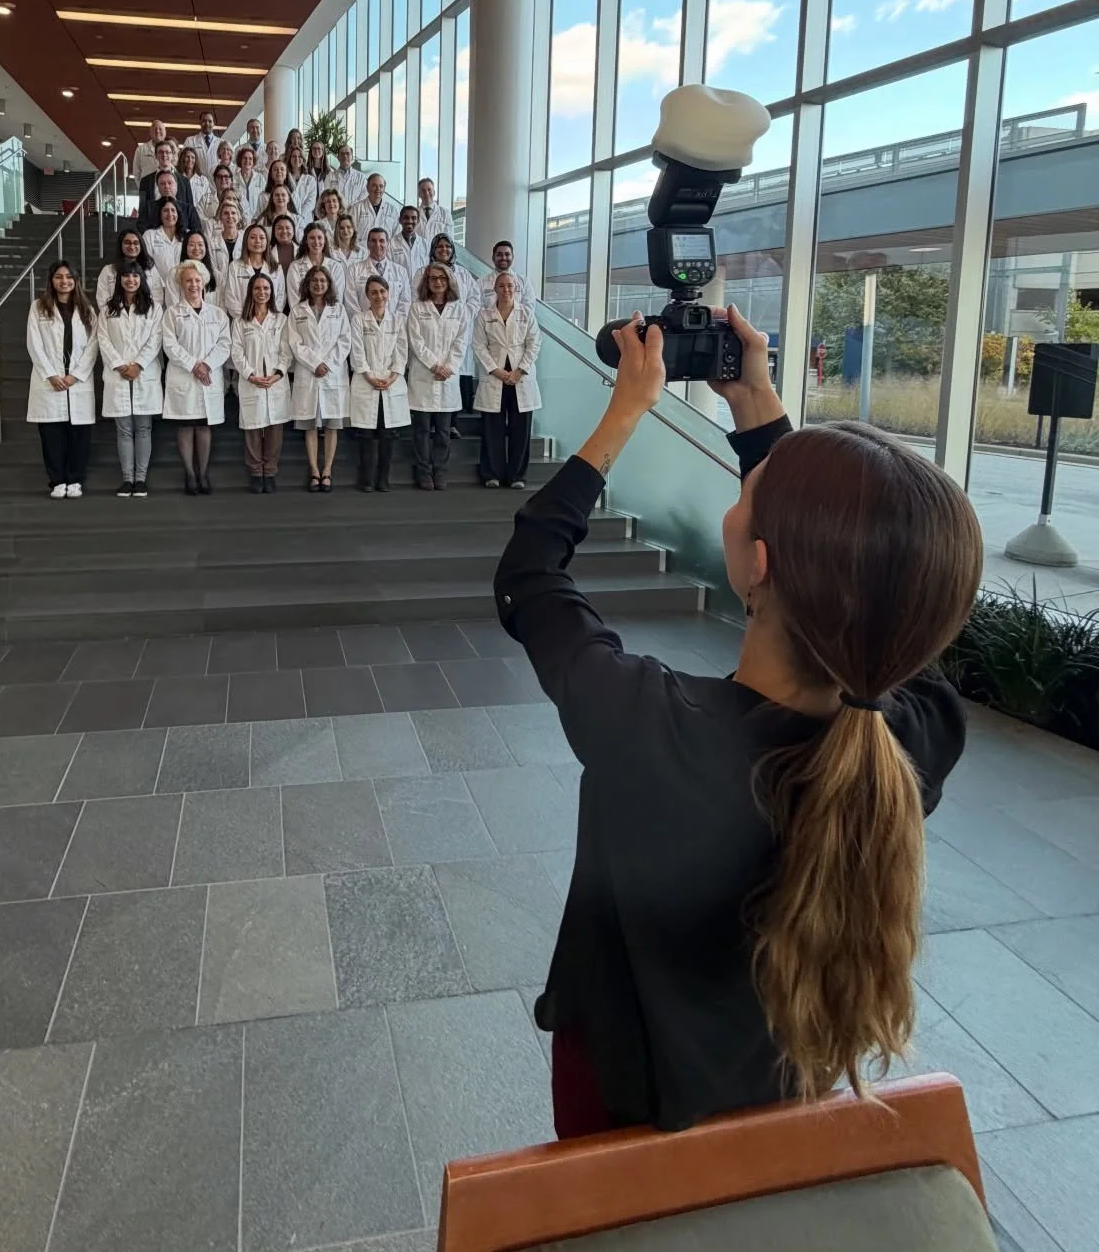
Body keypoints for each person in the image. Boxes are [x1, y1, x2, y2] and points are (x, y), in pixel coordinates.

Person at [496, 307, 982, 1141]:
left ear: (758, 564)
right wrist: (757, 404)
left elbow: (528, 575)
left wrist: (624, 414)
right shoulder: (919, 735)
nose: (746, 485)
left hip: (624, 1085)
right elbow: (886, 592)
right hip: (787, 1077)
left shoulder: (650, 727)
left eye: (752, 491)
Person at [26, 259, 98, 498]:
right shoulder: (38, 307)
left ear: (75, 280)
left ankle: (75, 479)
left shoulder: (87, 309)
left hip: (77, 381)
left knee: (79, 434)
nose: (64, 281)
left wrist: (75, 375)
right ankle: (57, 480)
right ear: (51, 280)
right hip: (50, 380)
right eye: (59, 277)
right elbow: (34, 344)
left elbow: (93, 345)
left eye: (69, 277)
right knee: (51, 433)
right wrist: (51, 374)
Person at [161, 260, 229, 494]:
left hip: (208, 377)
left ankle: (203, 473)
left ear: (204, 283)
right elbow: (170, 345)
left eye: (197, 280)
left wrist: (207, 365)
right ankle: (190, 474)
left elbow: (224, 344)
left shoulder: (218, 314)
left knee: (203, 426)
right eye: (188, 280)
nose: (193, 284)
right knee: (185, 425)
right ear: (181, 283)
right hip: (184, 376)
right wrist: (193, 366)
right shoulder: (172, 313)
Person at [98, 259, 162, 496]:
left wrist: (139, 365)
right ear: (119, 280)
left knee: (144, 428)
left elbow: (156, 338)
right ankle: (127, 479)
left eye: (135, 276)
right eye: (126, 275)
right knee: (124, 429)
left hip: (144, 373)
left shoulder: (154, 308)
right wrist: (119, 364)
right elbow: (102, 339)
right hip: (118, 374)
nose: (131, 279)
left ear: (141, 279)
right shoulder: (107, 309)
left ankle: (141, 479)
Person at [473, 272, 542, 488]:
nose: (506, 289)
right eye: (501, 286)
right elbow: (478, 345)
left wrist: (520, 371)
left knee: (520, 428)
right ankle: (492, 474)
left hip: (520, 376)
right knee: (492, 427)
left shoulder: (526, 313)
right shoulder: (484, 315)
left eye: (510, 285)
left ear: (516, 288)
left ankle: (517, 475)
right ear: (495, 289)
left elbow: (534, 344)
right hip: (495, 375)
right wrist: (496, 370)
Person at [288, 263, 351, 492]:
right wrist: (315, 363)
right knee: (310, 426)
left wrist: (329, 364)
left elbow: (345, 340)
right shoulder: (297, 311)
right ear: (308, 284)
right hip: (309, 372)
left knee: (332, 425)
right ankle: (314, 471)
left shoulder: (338, 309)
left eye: (323, 281)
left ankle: (328, 471)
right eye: (314, 281)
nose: (318, 284)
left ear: (329, 284)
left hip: (332, 374)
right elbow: (295, 342)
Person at [230, 271, 292, 493]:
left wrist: (277, 374)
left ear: (271, 292)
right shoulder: (240, 321)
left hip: (275, 382)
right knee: (253, 429)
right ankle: (256, 472)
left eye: (266, 288)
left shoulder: (281, 319)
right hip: (252, 382)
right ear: (251, 292)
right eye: (257, 288)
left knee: (275, 429)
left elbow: (287, 351)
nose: (262, 292)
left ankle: (271, 471)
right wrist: (250, 375)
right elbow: (236, 352)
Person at [406, 263, 466, 490]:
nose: (438, 282)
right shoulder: (417, 308)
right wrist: (434, 365)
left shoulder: (458, 309)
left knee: (442, 431)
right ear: (427, 282)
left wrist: (448, 366)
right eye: (433, 279)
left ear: (449, 280)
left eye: (442, 278)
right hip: (424, 374)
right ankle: (423, 471)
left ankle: (440, 469)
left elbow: (461, 341)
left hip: (447, 377)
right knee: (421, 429)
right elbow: (416, 341)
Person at [348, 274, 409, 493]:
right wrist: (369, 376)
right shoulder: (358, 320)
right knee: (366, 435)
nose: (378, 296)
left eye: (382, 291)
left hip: (391, 383)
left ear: (389, 294)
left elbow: (402, 352)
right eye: (373, 292)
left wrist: (393, 376)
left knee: (387, 435)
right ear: (367, 296)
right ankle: (367, 479)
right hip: (367, 382)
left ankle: (383, 478)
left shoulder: (397, 321)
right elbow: (357, 352)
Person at [426, 231, 481, 424]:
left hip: (457, 329)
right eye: (439, 246)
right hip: (430, 331)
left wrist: (463, 314)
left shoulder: (463, 274)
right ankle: (434, 423)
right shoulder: (424, 272)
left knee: (455, 376)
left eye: (448, 246)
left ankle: (452, 424)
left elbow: (475, 298)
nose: (444, 249)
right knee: (430, 382)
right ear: (433, 249)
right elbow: (418, 297)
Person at [346, 226, 410, 320]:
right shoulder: (354, 270)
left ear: (388, 244)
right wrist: (364, 323)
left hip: (393, 328)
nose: (377, 244)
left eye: (382, 241)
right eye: (373, 241)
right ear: (367, 244)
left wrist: (393, 325)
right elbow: (351, 303)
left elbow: (405, 303)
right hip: (364, 327)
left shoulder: (401, 271)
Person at [224, 222, 285, 318]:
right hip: (242, 322)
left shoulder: (276, 268)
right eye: (253, 237)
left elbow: (280, 298)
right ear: (246, 241)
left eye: (262, 238)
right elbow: (230, 298)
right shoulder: (234, 267)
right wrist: (246, 318)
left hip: (270, 323)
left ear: (267, 242)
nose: (257, 241)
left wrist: (267, 318)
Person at [139, 159, 199, 235]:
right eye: (162, 184)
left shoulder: (189, 209)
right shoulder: (149, 208)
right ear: (158, 187)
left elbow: (197, 233)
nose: (166, 186)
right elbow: (142, 229)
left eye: (170, 183)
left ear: (177, 186)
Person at [288, 221, 338, 311]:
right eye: (312, 238)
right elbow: (294, 299)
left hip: (330, 316)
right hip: (302, 316)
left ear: (325, 240)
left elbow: (336, 297)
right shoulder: (295, 267)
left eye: (319, 238)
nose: (316, 241)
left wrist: (326, 315)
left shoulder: (336, 266)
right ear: (306, 241)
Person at [94, 225, 145, 313]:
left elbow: (156, 296)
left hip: (143, 317)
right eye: (127, 242)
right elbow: (102, 298)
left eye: (136, 243)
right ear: (120, 245)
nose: (132, 246)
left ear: (141, 246)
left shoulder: (150, 270)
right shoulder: (108, 270)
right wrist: (118, 317)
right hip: (114, 317)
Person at [479, 238, 537, 309]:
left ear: (512, 257)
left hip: (517, 320)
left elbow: (529, 308)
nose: (503, 257)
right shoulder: (481, 283)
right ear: (493, 258)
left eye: (507, 254)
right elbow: (478, 309)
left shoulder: (524, 282)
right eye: (499, 255)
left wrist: (510, 318)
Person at [166, 229, 218, 307]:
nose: (196, 248)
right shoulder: (174, 273)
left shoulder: (216, 275)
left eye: (200, 244)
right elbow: (172, 304)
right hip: (182, 317)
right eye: (192, 244)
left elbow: (221, 305)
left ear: (206, 248)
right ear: (185, 248)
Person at [143, 198, 184, 284]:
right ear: (159, 214)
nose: (170, 214)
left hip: (183, 287)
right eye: (165, 210)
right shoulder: (149, 235)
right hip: (158, 288)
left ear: (178, 213)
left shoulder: (187, 235)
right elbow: (147, 264)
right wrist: (160, 285)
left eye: (173, 210)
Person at [354, 172, 399, 244]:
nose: (378, 189)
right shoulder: (356, 209)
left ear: (384, 189)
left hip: (385, 253)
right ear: (367, 187)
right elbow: (350, 233)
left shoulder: (392, 210)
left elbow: (396, 236)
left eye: (381, 186)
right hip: (362, 252)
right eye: (374, 185)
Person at [177, 145, 215, 222]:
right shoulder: (177, 178)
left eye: (192, 157)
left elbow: (207, 201)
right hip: (181, 216)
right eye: (187, 157)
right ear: (182, 159)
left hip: (199, 217)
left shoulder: (203, 180)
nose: (190, 160)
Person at [416, 177, 454, 250]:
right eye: (423, 190)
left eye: (429, 189)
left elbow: (450, 239)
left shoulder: (445, 213)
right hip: (419, 256)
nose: (426, 193)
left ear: (434, 192)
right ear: (419, 194)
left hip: (439, 255)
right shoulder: (414, 214)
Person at [391, 204, 424, 278]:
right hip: (399, 287)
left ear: (418, 220)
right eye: (406, 218)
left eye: (413, 218)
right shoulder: (391, 244)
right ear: (400, 220)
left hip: (421, 287)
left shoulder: (426, 245)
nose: (410, 221)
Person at [234, 145, 265, 224]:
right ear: (240, 160)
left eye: (250, 158)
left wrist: (259, 218)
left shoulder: (260, 178)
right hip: (240, 220)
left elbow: (264, 200)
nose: (247, 161)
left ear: (253, 161)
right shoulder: (234, 178)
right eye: (244, 158)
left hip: (257, 219)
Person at [186, 111, 222, 176]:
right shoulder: (190, 141)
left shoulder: (221, 142)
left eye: (210, 121)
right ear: (199, 123)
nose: (207, 124)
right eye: (204, 121)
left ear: (213, 124)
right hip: (197, 180)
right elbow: (185, 162)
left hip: (216, 181)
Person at [332, 143, 365, 209]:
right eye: (342, 154)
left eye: (348, 153)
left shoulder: (361, 177)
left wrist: (352, 208)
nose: (345, 156)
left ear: (352, 157)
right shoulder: (330, 176)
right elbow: (328, 197)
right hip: (336, 214)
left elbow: (364, 197)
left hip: (355, 213)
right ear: (338, 157)